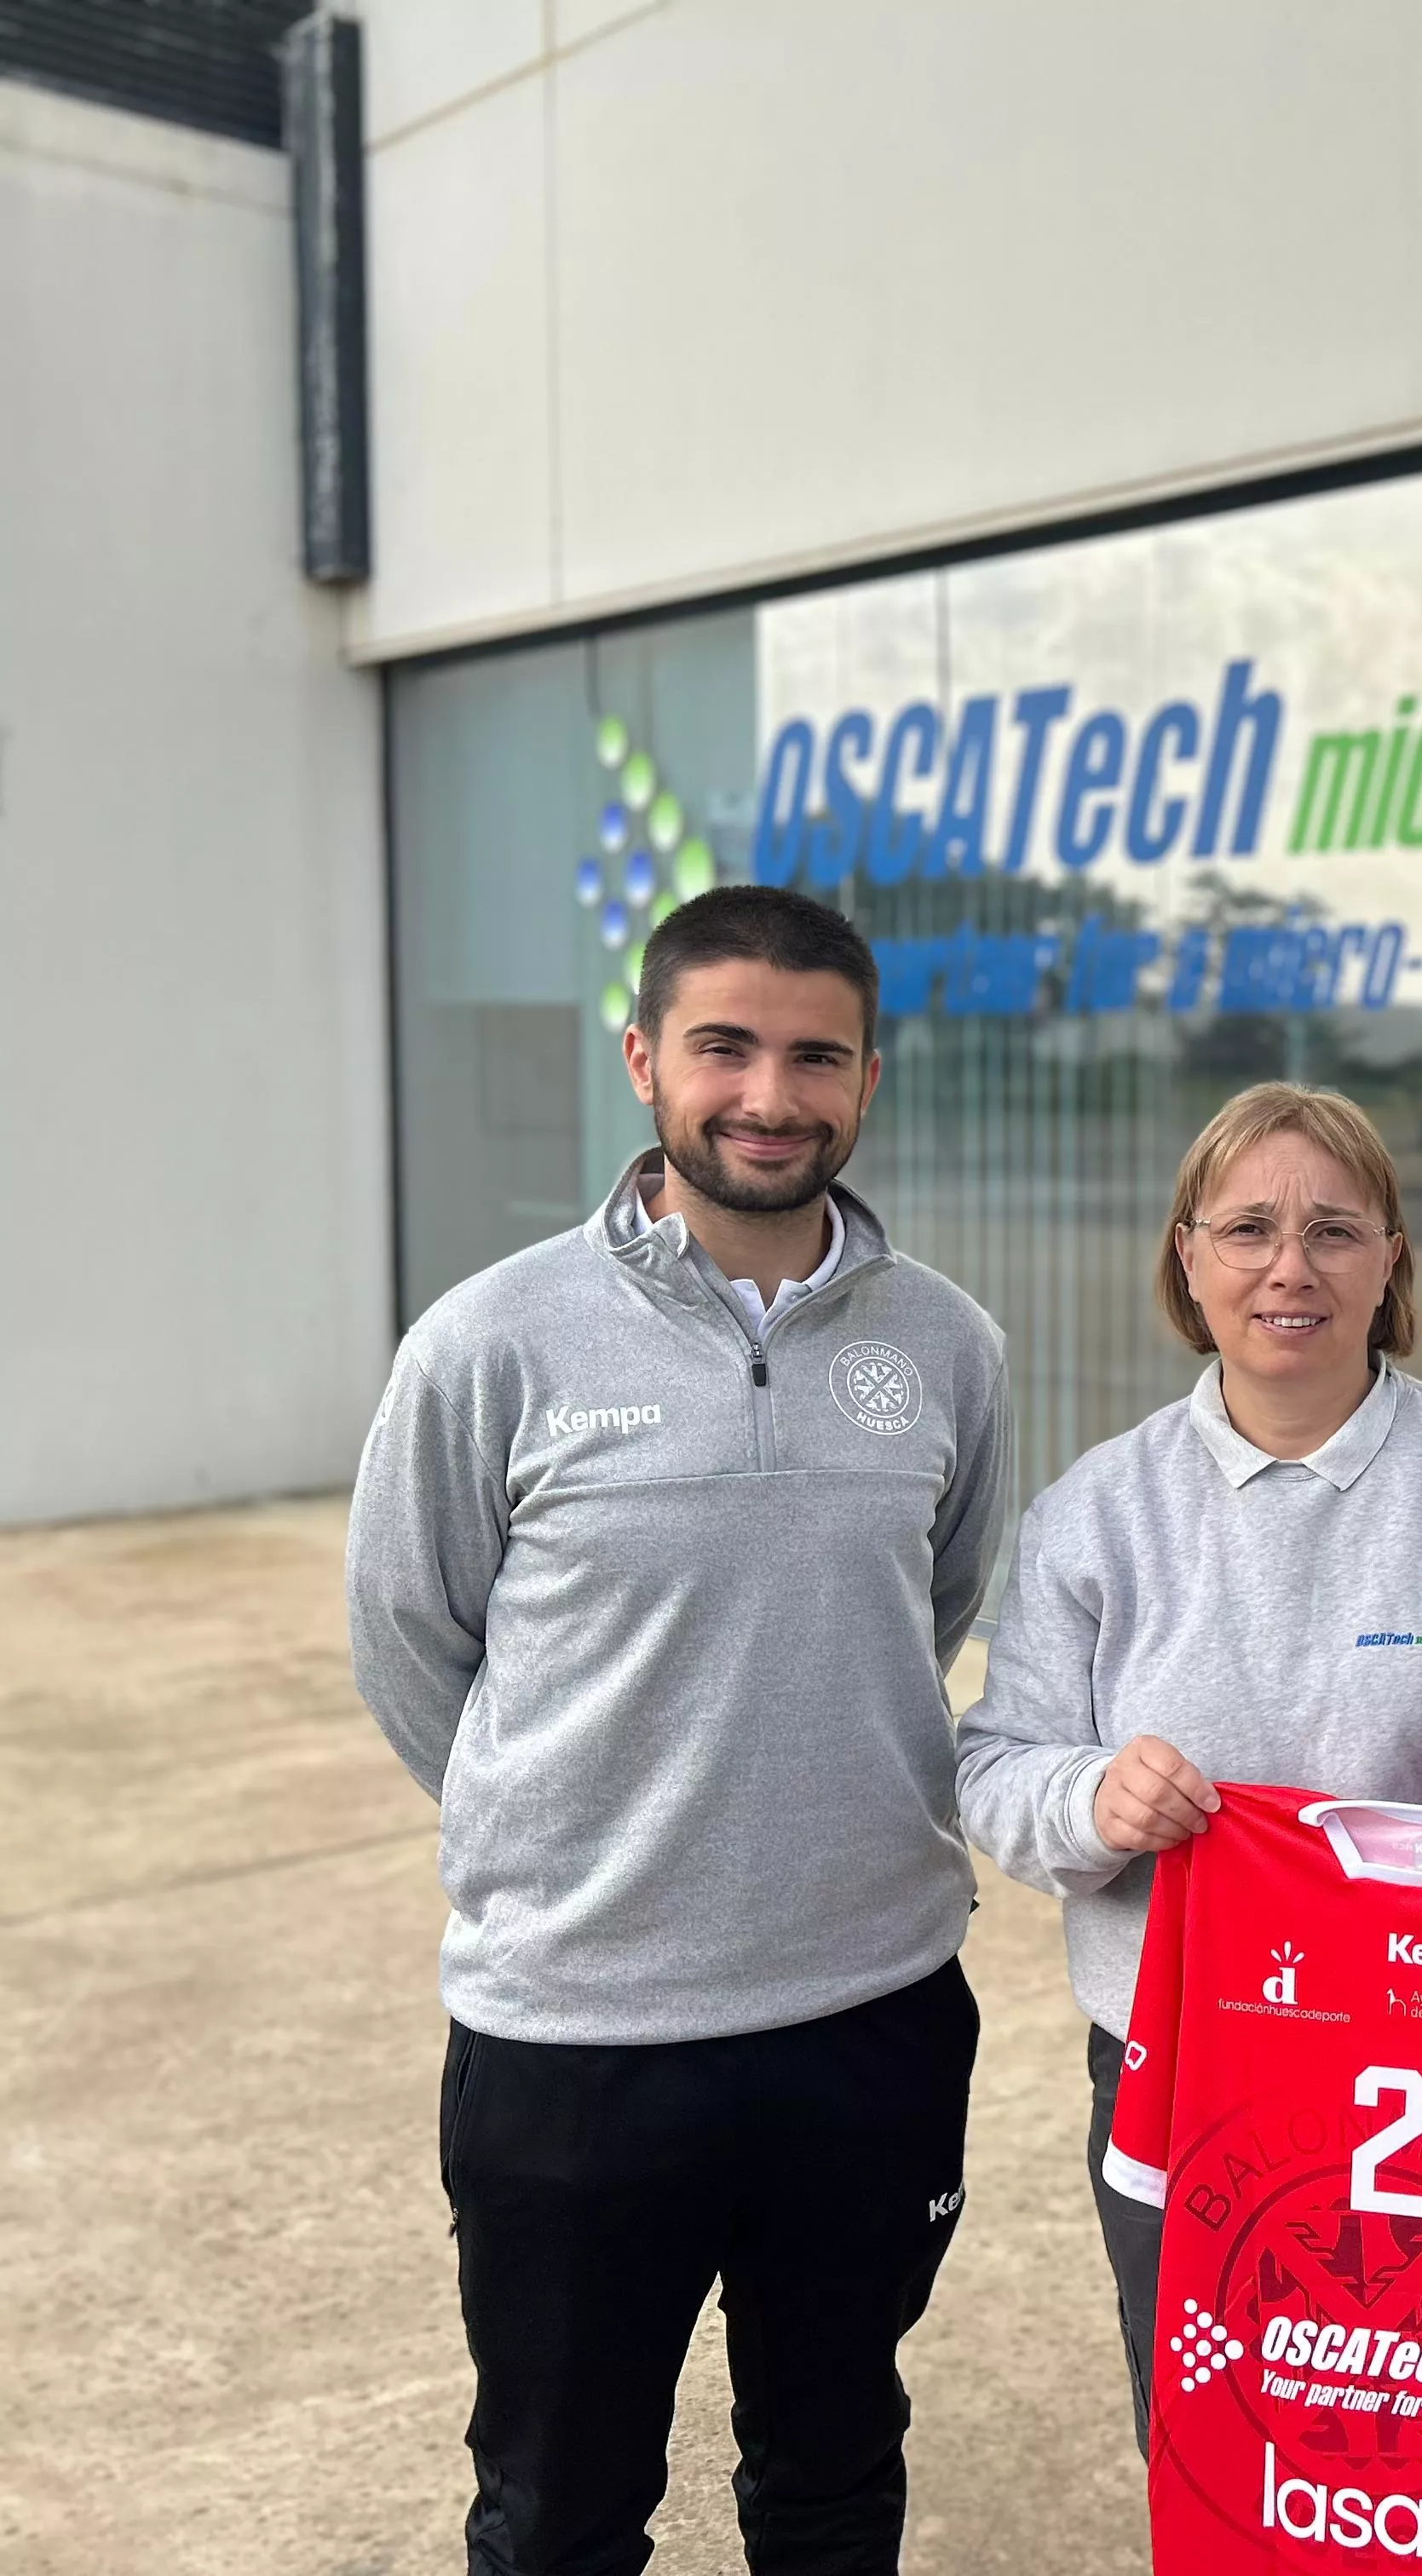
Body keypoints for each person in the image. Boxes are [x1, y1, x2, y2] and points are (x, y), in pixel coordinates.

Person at [346, 883, 1013, 2576]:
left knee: (834, 2478)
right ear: (643, 1057)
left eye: (815, 1056)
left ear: (872, 1079)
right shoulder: (492, 1342)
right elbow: (415, 1643)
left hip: (868, 2019)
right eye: (723, 1048)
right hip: (577, 2036)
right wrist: (568, 1816)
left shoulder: (947, 1346)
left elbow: (925, 1610)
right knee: (560, 2512)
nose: (768, 1095)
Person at [953, 1079, 1422, 2453]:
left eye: (1335, 1228)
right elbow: (994, 1766)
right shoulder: (1095, 1511)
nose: (1290, 1266)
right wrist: (1094, 1797)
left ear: (1391, 1259)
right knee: (1227, 2455)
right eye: (1249, 1227)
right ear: (1187, 1257)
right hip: (1186, 2073)